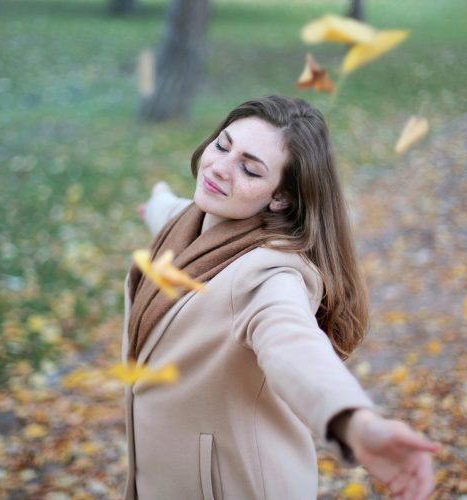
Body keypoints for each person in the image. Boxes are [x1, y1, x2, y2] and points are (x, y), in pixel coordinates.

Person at [123, 95, 440, 500]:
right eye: (223, 145)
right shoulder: (188, 220)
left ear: (281, 198)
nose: (220, 167)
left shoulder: (271, 273)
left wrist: (355, 423)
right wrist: (155, 203)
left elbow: (292, 344)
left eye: (249, 169)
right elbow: (172, 212)